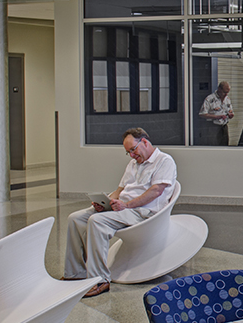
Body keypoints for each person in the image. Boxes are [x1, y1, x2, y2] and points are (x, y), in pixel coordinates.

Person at [64, 127, 176, 297]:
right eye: (128, 152)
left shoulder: (164, 161)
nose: (131, 155)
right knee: (75, 218)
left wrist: (127, 205)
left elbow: (156, 191)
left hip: (143, 212)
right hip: (124, 208)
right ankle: (75, 274)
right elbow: (120, 190)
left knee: (97, 221)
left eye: (133, 149)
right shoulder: (133, 164)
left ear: (144, 142)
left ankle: (100, 280)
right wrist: (106, 202)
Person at [199, 81, 233, 146]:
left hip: (224, 126)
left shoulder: (227, 99)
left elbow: (230, 111)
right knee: (214, 145)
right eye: (224, 92)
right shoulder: (210, 99)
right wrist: (216, 117)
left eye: (227, 93)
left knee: (225, 145)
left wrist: (230, 115)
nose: (226, 94)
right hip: (213, 126)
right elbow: (202, 114)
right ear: (219, 89)